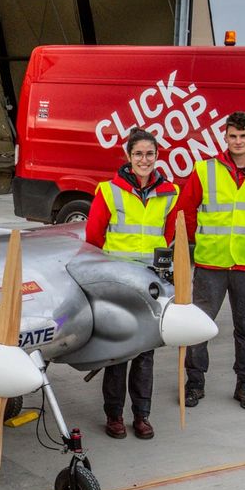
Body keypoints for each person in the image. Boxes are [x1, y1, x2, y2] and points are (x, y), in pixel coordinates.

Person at [179, 111, 245, 411]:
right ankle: (195, 384)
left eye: (243, 136)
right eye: (233, 136)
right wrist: (202, 240)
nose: (238, 141)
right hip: (210, 263)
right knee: (199, 328)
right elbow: (185, 210)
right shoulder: (206, 170)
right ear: (225, 138)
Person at [85, 129, 180, 440]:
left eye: (149, 154)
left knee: (145, 354)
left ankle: (142, 415)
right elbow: (94, 237)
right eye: (138, 154)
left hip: (150, 283)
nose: (144, 160)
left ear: (157, 156)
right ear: (128, 156)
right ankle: (114, 415)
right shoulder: (108, 191)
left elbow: (169, 236)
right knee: (118, 352)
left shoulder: (170, 193)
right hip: (118, 284)